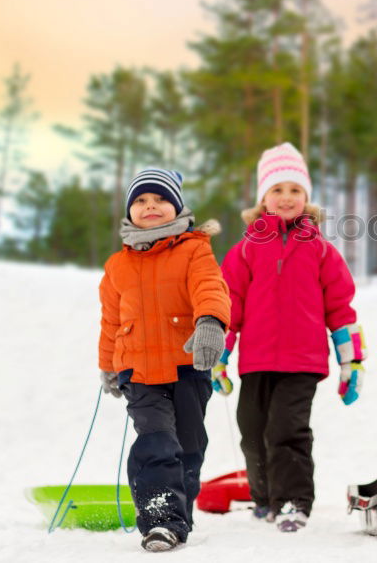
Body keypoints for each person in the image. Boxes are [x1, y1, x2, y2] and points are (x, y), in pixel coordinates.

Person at [216, 142, 366, 533]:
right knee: (252, 429)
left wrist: (352, 362)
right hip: (257, 359)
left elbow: (341, 308)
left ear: (307, 197)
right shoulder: (245, 250)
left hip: (303, 361)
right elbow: (228, 305)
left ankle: (293, 502)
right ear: (263, 197)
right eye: (277, 190)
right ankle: (264, 498)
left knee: (286, 429)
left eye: (295, 190)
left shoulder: (321, 251)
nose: (286, 198)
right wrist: (219, 355)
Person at [98, 167, 231, 552]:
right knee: (155, 442)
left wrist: (209, 322)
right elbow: (110, 320)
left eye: (160, 199)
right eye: (141, 200)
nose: (150, 206)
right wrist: (108, 363)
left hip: (188, 367)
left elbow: (211, 288)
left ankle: (178, 516)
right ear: (129, 210)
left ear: (176, 207)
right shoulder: (117, 266)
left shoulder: (194, 249)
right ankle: (159, 519)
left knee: (188, 446)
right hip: (138, 372)